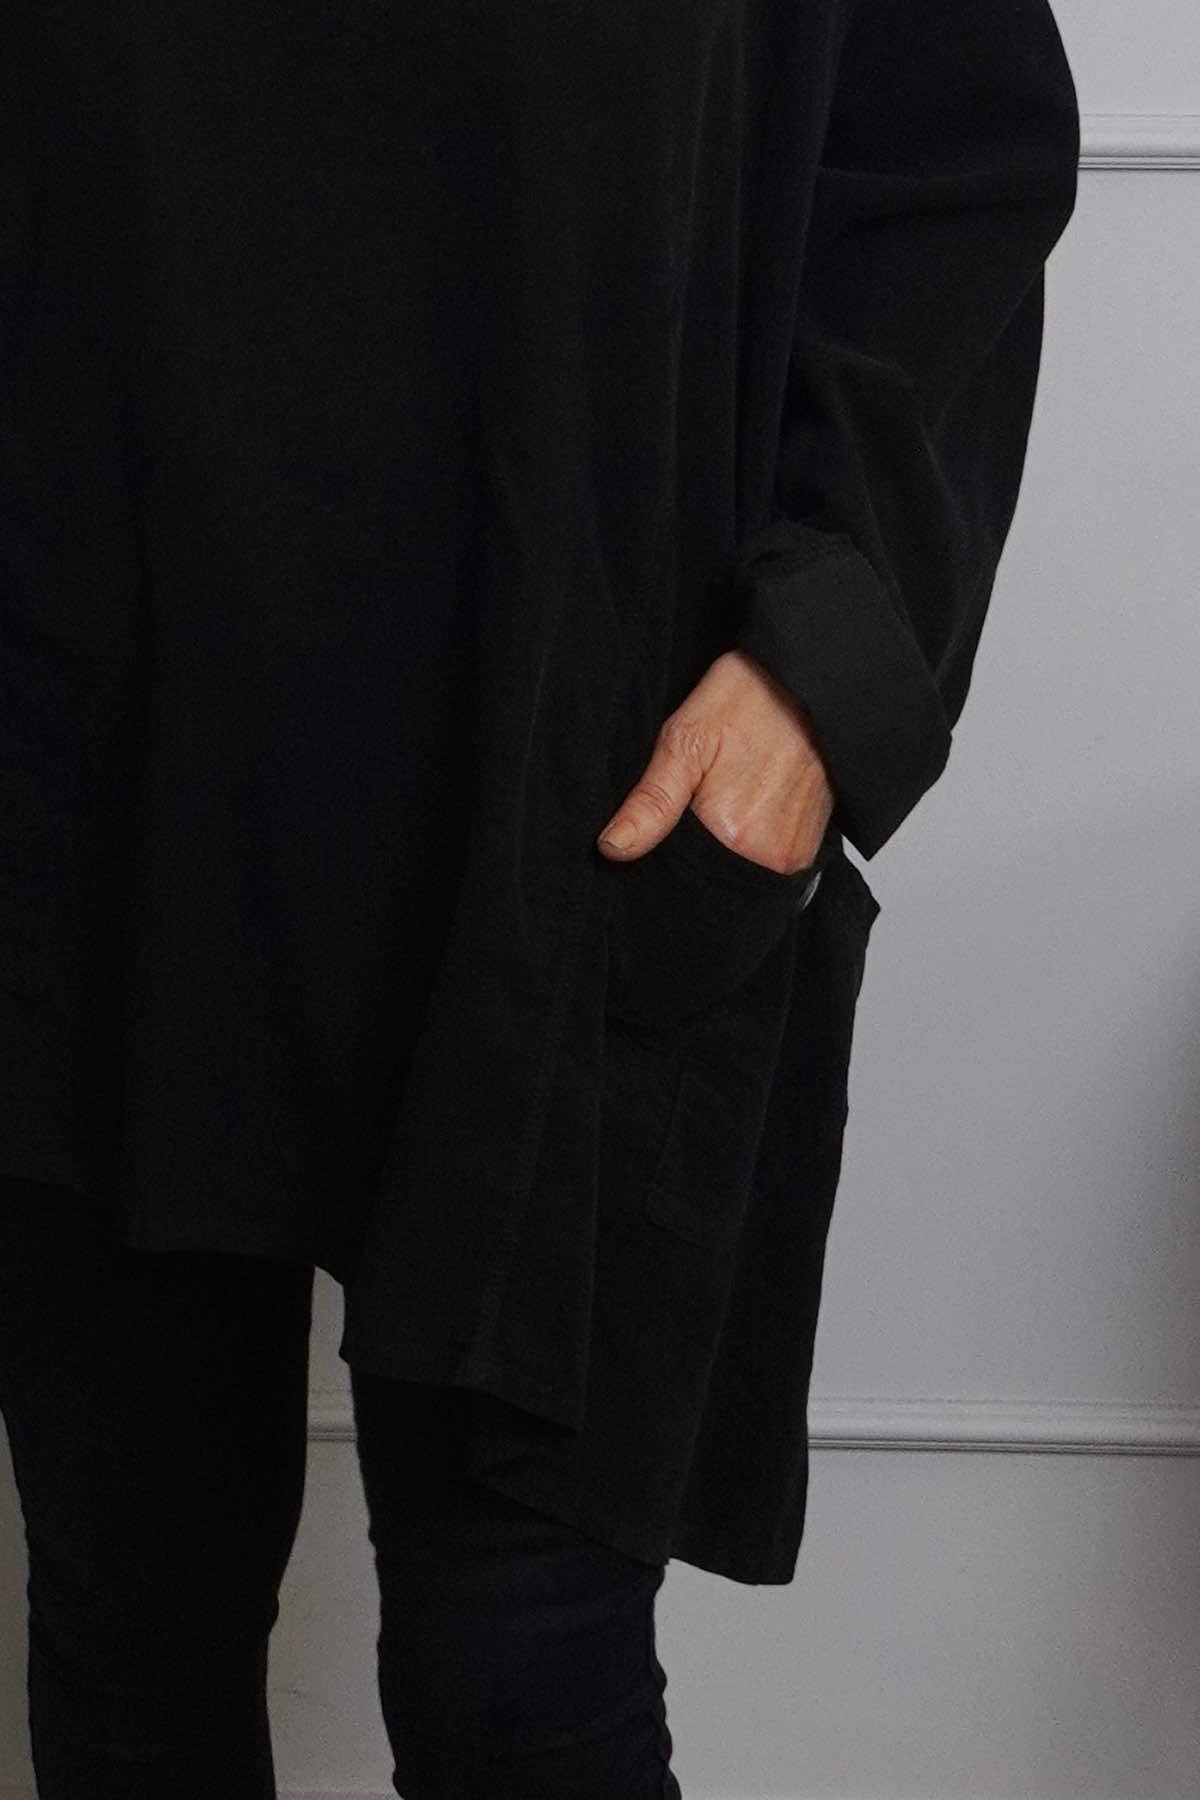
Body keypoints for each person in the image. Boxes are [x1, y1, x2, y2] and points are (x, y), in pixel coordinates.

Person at [0, 1, 1080, 1794]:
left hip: (589, 792)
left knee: (523, 1672)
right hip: (91, 760)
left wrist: (819, 675)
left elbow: (956, 159)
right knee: (135, 1625)